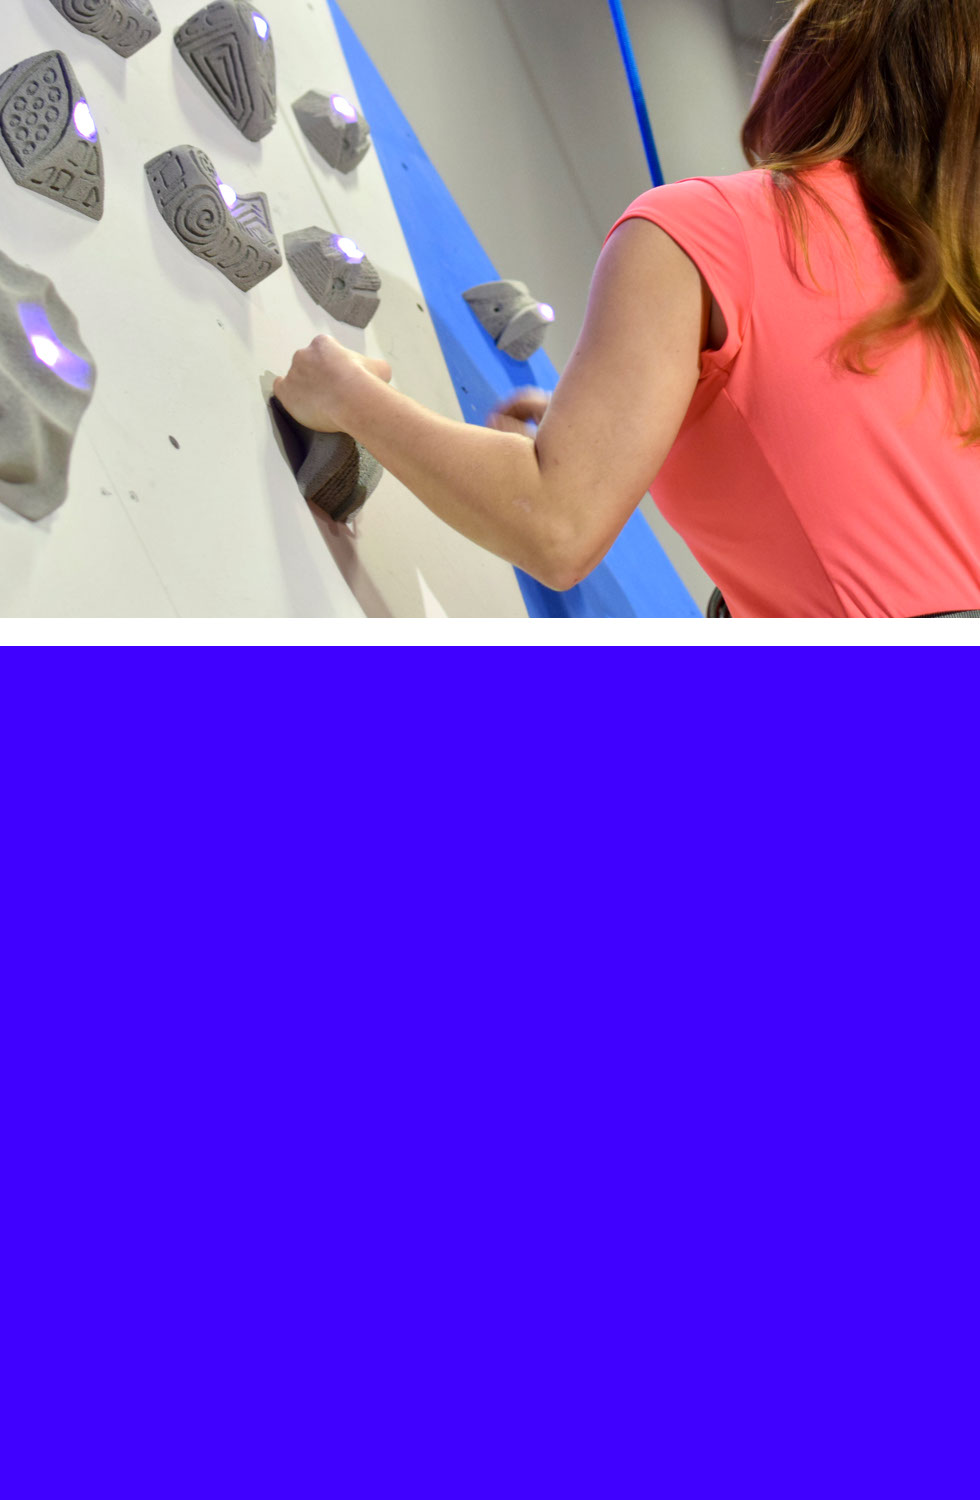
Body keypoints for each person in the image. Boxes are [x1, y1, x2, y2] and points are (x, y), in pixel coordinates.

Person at [274, 0, 980, 618]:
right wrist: (618, 424)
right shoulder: (949, 301)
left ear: (824, 54)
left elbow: (556, 526)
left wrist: (345, 395)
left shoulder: (713, 225)